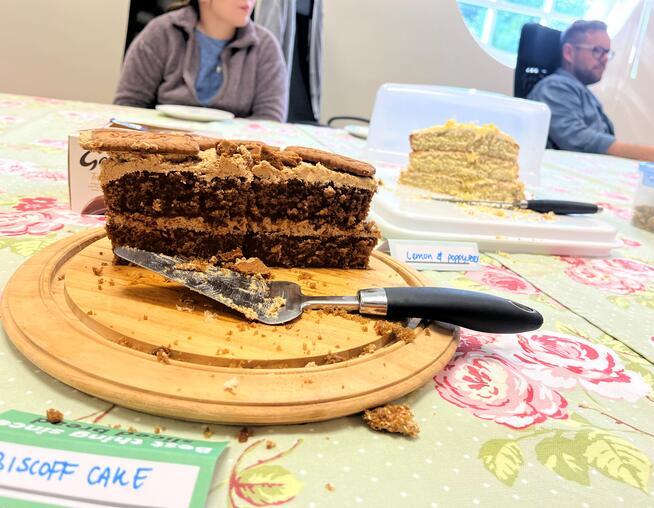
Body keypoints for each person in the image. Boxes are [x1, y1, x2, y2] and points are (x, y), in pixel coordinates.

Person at [114, 0, 288, 122]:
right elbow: (128, 106)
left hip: (235, 158)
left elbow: (270, 119)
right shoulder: (160, 33)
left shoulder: (265, 46)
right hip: (162, 152)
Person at [528, 20, 654, 161]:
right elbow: (577, 139)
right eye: (597, 51)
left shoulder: (583, 93)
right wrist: (647, 154)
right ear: (569, 52)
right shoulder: (554, 87)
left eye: (607, 53)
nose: (605, 59)